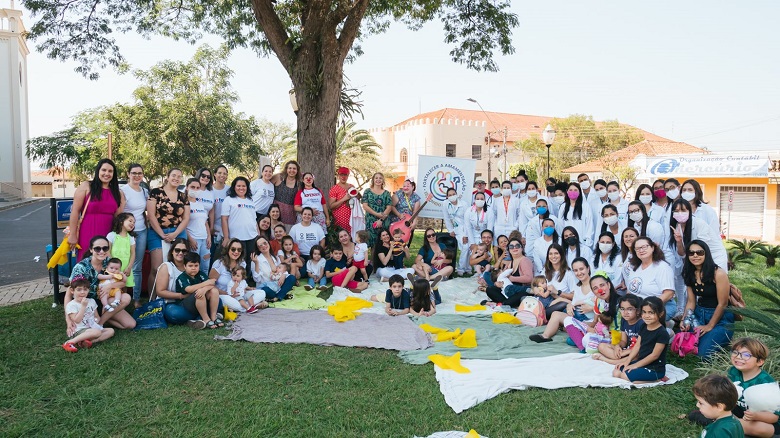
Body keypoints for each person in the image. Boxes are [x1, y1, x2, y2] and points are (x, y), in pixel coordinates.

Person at [66, 236, 135, 334]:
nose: (101, 251)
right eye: (97, 248)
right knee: (128, 320)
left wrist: (109, 286)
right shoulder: (81, 267)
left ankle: (100, 322)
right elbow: (69, 292)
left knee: (130, 323)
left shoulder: (109, 263)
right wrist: (68, 321)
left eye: (105, 248)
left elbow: (123, 282)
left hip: (105, 301)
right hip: (86, 304)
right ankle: (98, 319)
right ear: (91, 250)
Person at [681, 240, 735, 361]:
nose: (695, 256)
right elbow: (691, 302)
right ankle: (710, 338)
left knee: (703, 355)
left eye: (699, 252)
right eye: (691, 253)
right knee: (683, 345)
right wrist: (686, 319)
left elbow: (723, 303)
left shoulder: (718, 273)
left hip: (720, 317)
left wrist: (710, 326)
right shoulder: (689, 273)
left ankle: (722, 337)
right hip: (699, 314)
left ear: (706, 254)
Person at [529, 264, 608, 346]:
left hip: (588, 319)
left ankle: (570, 329)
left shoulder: (596, 287)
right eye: (576, 270)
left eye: (581, 269)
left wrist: (591, 308)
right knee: (556, 314)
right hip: (575, 315)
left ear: (588, 268)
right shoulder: (578, 287)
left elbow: (603, 308)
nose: (579, 272)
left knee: (577, 328)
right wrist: (569, 306)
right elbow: (573, 302)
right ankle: (545, 336)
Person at [69, 158, 125, 260]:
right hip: (87, 232)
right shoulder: (86, 186)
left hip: (108, 235)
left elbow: (118, 218)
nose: (106, 173)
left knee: (106, 266)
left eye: (110, 171)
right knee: (86, 263)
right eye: (104, 170)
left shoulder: (118, 193)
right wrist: (72, 234)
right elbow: (75, 211)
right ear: (98, 171)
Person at [724, 338, 780, 437]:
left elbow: (774, 417)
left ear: (759, 362)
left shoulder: (766, 383)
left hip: (765, 421)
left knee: (762, 429)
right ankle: (730, 424)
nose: (738, 357)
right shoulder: (733, 371)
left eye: (746, 355)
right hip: (741, 413)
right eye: (735, 352)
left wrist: (756, 416)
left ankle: (724, 423)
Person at [147, 168, 189, 291]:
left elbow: (186, 218)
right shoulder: (155, 192)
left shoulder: (183, 196)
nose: (176, 178)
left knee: (179, 265)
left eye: (179, 176)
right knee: (157, 268)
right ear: (167, 176)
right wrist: (162, 234)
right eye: (174, 175)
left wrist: (175, 234)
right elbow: (151, 215)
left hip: (178, 232)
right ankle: (153, 300)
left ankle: (175, 295)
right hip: (157, 232)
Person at [611, 296, 670, 383]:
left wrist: (635, 365)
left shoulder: (662, 333)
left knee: (624, 375)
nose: (646, 316)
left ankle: (657, 379)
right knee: (616, 372)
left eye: (651, 312)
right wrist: (627, 361)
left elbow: (654, 355)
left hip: (654, 368)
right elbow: (637, 346)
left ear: (660, 314)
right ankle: (643, 376)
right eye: (644, 312)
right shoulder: (643, 326)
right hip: (641, 363)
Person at [625, 237, 676, 320]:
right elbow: (629, 291)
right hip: (637, 308)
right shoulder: (634, 267)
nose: (641, 250)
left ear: (652, 248)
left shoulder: (662, 267)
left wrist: (646, 309)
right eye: (637, 249)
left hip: (659, 306)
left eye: (644, 247)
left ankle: (666, 330)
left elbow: (669, 293)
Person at [62, 276, 115, 352]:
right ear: (72, 291)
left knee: (110, 331)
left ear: (88, 290)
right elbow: (77, 320)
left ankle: (86, 342)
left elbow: (96, 316)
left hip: (91, 328)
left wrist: (96, 320)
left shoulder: (91, 301)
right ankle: (70, 342)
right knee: (97, 332)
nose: (82, 292)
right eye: (79, 290)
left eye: (85, 289)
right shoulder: (71, 305)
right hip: (79, 330)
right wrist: (83, 306)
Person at [120, 163, 148, 308]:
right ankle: (121, 297)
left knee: (137, 266)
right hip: (126, 233)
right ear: (128, 174)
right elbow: (119, 212)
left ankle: (136, 299)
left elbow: (145, 211)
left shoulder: (144, 191)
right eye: (134, 173)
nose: (137, 176)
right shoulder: (122, 190)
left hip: (142, 231)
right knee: (123, 264)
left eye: (139, 173)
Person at [175, 252, 223, 329]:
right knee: (199, 294)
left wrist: (204, 289)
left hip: (201, 302)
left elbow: (212, 283)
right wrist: (204, 286)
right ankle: (206, 319)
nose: (193, 268)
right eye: (190, 266)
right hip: (186, 303)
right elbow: (189, 289)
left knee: (214, 291)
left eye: (196, 266)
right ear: (185, 266)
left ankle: (214, 317)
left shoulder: (200, 274)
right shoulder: (182, 277)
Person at [483, 238, 534, 307]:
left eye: (517, 246)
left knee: (516, 298)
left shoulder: (524, 260)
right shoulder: (511, 262)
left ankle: (501, 304)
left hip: (521, 290)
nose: (514, 248)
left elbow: (529, 278)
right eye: (511, 246)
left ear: (522, 248)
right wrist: (497, 283)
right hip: (509, 291)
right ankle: (506, 303)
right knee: (490, 289)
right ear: (509, 250)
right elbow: (502, 276)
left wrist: (512, 278)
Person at [221, 176, 258, 270]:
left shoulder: (250, 200)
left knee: (250, 261)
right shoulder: (229, 200)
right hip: (236, 237)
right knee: (239, 262)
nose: (241, 188)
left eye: (244, 186)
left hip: (251, 236)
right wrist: (226, 238)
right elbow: (224, 219)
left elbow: (254, 219)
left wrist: (258, 235)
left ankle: (248, 281)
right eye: (238, 186)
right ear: (234, 187)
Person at [595, 294, 644, 362]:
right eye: (622, 309)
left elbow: (642, 346)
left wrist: (627, 352)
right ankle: (620, 358)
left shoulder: (641, 324)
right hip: (627, 350)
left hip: (638, 351)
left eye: (629, 309)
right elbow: (624, 341)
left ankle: (610, 360)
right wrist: (618, 346)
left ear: (638, 311)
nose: (625, 312)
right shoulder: (624, 320)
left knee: (636, 356)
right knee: (601, 346)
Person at [250, 236, 296, 302]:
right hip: (267, 287)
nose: (263, 246)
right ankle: (281, 295)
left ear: (268, 243)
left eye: (265, 243)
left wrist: (283, 275)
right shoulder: (255, 260)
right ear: (258, 249)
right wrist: (256, 263)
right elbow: (257, 279)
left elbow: (283, 269)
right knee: (265, 290)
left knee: (292, 278)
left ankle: (277, 296)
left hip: (277, 285)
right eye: (260, 245)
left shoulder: (275, 257)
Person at [209, 238, 247, 311]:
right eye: (233, 249)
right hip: (223, 295)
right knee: (236, 304)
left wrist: (245, 289)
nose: (236, 252)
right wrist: (227, 294)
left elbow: (241, 281)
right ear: (228, 250)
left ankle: (246, 305)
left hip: (238, 294)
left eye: (239, 250)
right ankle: (248, 306)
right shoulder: (219, 264)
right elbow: (211, 285)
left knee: (261, 293)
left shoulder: (242, 263)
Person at [184, 178, 211, 274]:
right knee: (193, 268)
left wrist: (209, 237)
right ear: (187, 188)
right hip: (194, 241)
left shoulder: (201, 204)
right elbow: (183, 224)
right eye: (192, 187)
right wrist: (190, 239)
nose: (195, 190)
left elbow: (205, 222)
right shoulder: (184, 204)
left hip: (205, 240)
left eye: (197, 188)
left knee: (205, 267)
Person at [106, 212, 136, 296]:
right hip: (113, 267)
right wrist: (113, 265)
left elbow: (133, 253)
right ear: (121, 221)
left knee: (124, 284)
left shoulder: (131, 238)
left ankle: (123, 303)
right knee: (113, 283)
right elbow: (108, 250)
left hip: (125, 266)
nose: (133, 223)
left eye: (134, 222)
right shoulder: (111, 235)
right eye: (130, 221)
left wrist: (129, 267)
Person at [442, 187, 470, 275]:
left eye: (453, 194)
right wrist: (450, 230)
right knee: (463, 248)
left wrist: (466, 234)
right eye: (450, 195)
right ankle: (463, 268)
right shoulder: (445, 203)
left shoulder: (464, 204)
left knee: (466, 247)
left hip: (465, 228)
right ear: (447, 196)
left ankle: (464, 268)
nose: (452, 196)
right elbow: (446, 218)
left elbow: (467, 220)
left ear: (456, 194)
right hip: (455, 229)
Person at [558, 182, 594, 248]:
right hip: (567, 243)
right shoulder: (563, 207)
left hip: (583, 243)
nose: (573, 192)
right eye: (570, 190)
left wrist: (587, 243)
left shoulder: (585, 206)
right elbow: (560, 225)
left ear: (579, 192)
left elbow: (589, 225)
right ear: (567, 191)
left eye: (575, 190)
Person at [362, 172, 393, 247]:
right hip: (371, 221)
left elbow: (389, 208)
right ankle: (373, 259)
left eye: (380, 178)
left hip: (383, 221)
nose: (378, 180)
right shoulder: (367, 191)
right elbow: (365, 206)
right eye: (376, 178)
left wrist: (381, 220)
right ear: (373, 180)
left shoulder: (386, 193)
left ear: (383, 180)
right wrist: (377, 214)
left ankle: (384, 258)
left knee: (383, 243)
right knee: (373, 243)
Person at [209, 165, 230, 268]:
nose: (222, 175)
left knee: (224, 257)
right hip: (212, 229)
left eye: (225, 173)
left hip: (226, 228)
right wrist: (211, 227)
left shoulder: (229, 190)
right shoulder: (209, 190)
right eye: (220, 173)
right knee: (211, 256)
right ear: (215, 174)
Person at [272, 160, 302, 227]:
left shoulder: (299, 183)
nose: (292, 170)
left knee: (287, 233)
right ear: (286, 169)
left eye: (294, 168)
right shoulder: (279, 177)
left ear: (297, 170)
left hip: (290, 213)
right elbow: (266, 184)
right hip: (276, 211)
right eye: (290, 168)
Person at [329, 166, 358, 234]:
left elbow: (357, 199)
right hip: (339, 221)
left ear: (348, 175)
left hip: (352, 219)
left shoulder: (351, 186)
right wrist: (344, 199)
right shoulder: (334, 189)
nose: (343, 177)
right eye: (341, 174)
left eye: (345, 175)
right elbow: (331, 206)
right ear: (338, 175)